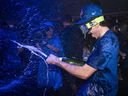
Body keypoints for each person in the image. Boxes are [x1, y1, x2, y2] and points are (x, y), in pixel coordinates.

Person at [46, 3, 119, 96]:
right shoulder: (102, 39)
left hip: (102, 90)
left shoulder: (107, 42)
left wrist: (57, 62)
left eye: (87, 27)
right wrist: (68, 61)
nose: (88, 32)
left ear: (95, 23)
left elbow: (85, 73)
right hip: (96, 86)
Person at [37, 21, 65, 96]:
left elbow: (57, 50)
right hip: (44, 65)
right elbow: (40, 52)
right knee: (45, 87)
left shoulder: (56, 39)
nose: (50, 31)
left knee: (55, 87)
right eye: (48, 29)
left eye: (51, 29)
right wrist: (38, 46)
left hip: (53, 65)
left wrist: (46, 44)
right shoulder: (43, 39)